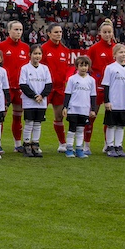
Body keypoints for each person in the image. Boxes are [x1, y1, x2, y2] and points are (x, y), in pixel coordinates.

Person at [0, 21, 31, 154]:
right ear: (9, 31)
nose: (18, 32)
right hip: (5, 88)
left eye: (20, 29)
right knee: (1, 115)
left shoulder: (26, 47)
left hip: (20, 88)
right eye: (16, 29)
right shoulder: (2, 46)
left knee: (18, 116)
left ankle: (17, 144)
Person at [84, 19, 119, 148]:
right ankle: (86, 145)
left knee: (110, 118)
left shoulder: (117, 48)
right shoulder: (94, 48)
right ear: (100, 33)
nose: (107, 34)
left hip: (113, 88)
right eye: (105, 32)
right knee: (92, 115)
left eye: (109, 32)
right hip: (97, 87)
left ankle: (107, 144)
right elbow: (87, 65)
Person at [41, 24, 75, 154]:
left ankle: (62, 143)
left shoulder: (65, 50)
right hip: (45, 87)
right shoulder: (43, 49)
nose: (58, 34)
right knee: (37, 116)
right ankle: (32, 142)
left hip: (60, 88)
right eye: (55, 32)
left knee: (59, 116)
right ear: (49, 33)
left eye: (60, 32)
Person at [100, 44, 125, 157]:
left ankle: (118, 146)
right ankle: (109, 146)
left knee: (121, 125)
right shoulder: (110, 68)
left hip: (124, 102)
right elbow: (106, 85)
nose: (123, 54)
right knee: (111, 125)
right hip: (113, 102)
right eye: (120, 52)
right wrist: (107, 101)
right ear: (114, 55)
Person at [18, 45, 53, 157]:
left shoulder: (45, 68)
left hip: (41, 101)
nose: (37, 56)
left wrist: (42, 96)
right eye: (35, 53)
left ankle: (35, 145)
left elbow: (49, 85)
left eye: (39, 54)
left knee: (38, 123)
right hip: (29, 101)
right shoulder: (25, 68)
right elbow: (23, 85)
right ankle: (27, 145)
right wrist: (34, 96)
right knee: (29, 123)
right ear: (30, 55)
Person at [64, 56, 98, 158]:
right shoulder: (72, 79)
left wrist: (93, 109)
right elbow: (67, 94)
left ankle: (79, 149)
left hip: (84, 109)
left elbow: (93, 95)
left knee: (80, 129)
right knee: (72, 129)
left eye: (86, 65)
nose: (83, 68)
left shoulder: (91, 80)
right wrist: (65, 107)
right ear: (76, 67)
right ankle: (69, 149)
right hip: (73, 108)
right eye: (81, 65)